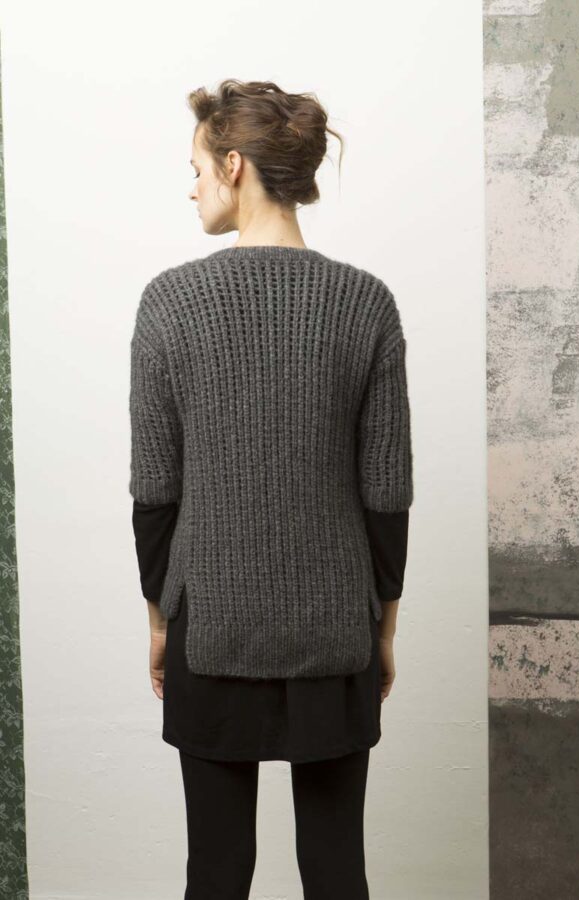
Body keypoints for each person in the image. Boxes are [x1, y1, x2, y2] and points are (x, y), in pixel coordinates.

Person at [129, 78, 414, 900]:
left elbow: (155, 492)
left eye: (196, 169)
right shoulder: (366, 304)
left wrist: (160, 621)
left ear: (233, 165)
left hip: (209, 631)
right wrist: (384, 629)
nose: (191, 188)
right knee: (337, 870)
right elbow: (386, 494)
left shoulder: (170, 304)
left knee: (217, 872)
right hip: (338, 633)